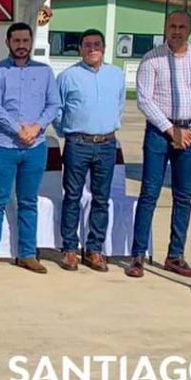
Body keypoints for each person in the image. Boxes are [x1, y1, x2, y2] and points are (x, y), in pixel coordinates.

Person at [128, 11, 191, 279]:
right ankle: (138, 254)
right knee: (149, 193)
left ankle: (175, 255)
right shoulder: (152, 59)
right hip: (159, 132)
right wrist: (169, 129)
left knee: (183, 196)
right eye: (172, 26)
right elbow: (144, 99)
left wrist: (190, 130)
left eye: (182, 27)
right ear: (165, 27)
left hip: (189, 132)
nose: (176, 31)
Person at [0, 22, 61, 274]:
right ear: (8, 42)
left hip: (35, 146)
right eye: (17, 41)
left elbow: (54, 104)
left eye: (26, 41)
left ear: (31, 42)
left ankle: (27, 253)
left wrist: (36, 128)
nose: (22, 46)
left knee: (28, 201)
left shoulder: (45, 72)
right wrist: (18, 129)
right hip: (2, 146)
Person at [53, 28, 125, 273]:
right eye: (87, 45)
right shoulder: (67, 77)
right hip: (78, 144)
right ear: (80, 48)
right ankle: (70, 249)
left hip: (106, 144)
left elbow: (120, 104)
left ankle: (94, 249)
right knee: (72, 197)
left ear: (103, 48)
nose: (92, 48)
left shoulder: (116, 75)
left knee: (101, 199)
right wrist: (67, 131)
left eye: (97, 44)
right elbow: (57, 109)